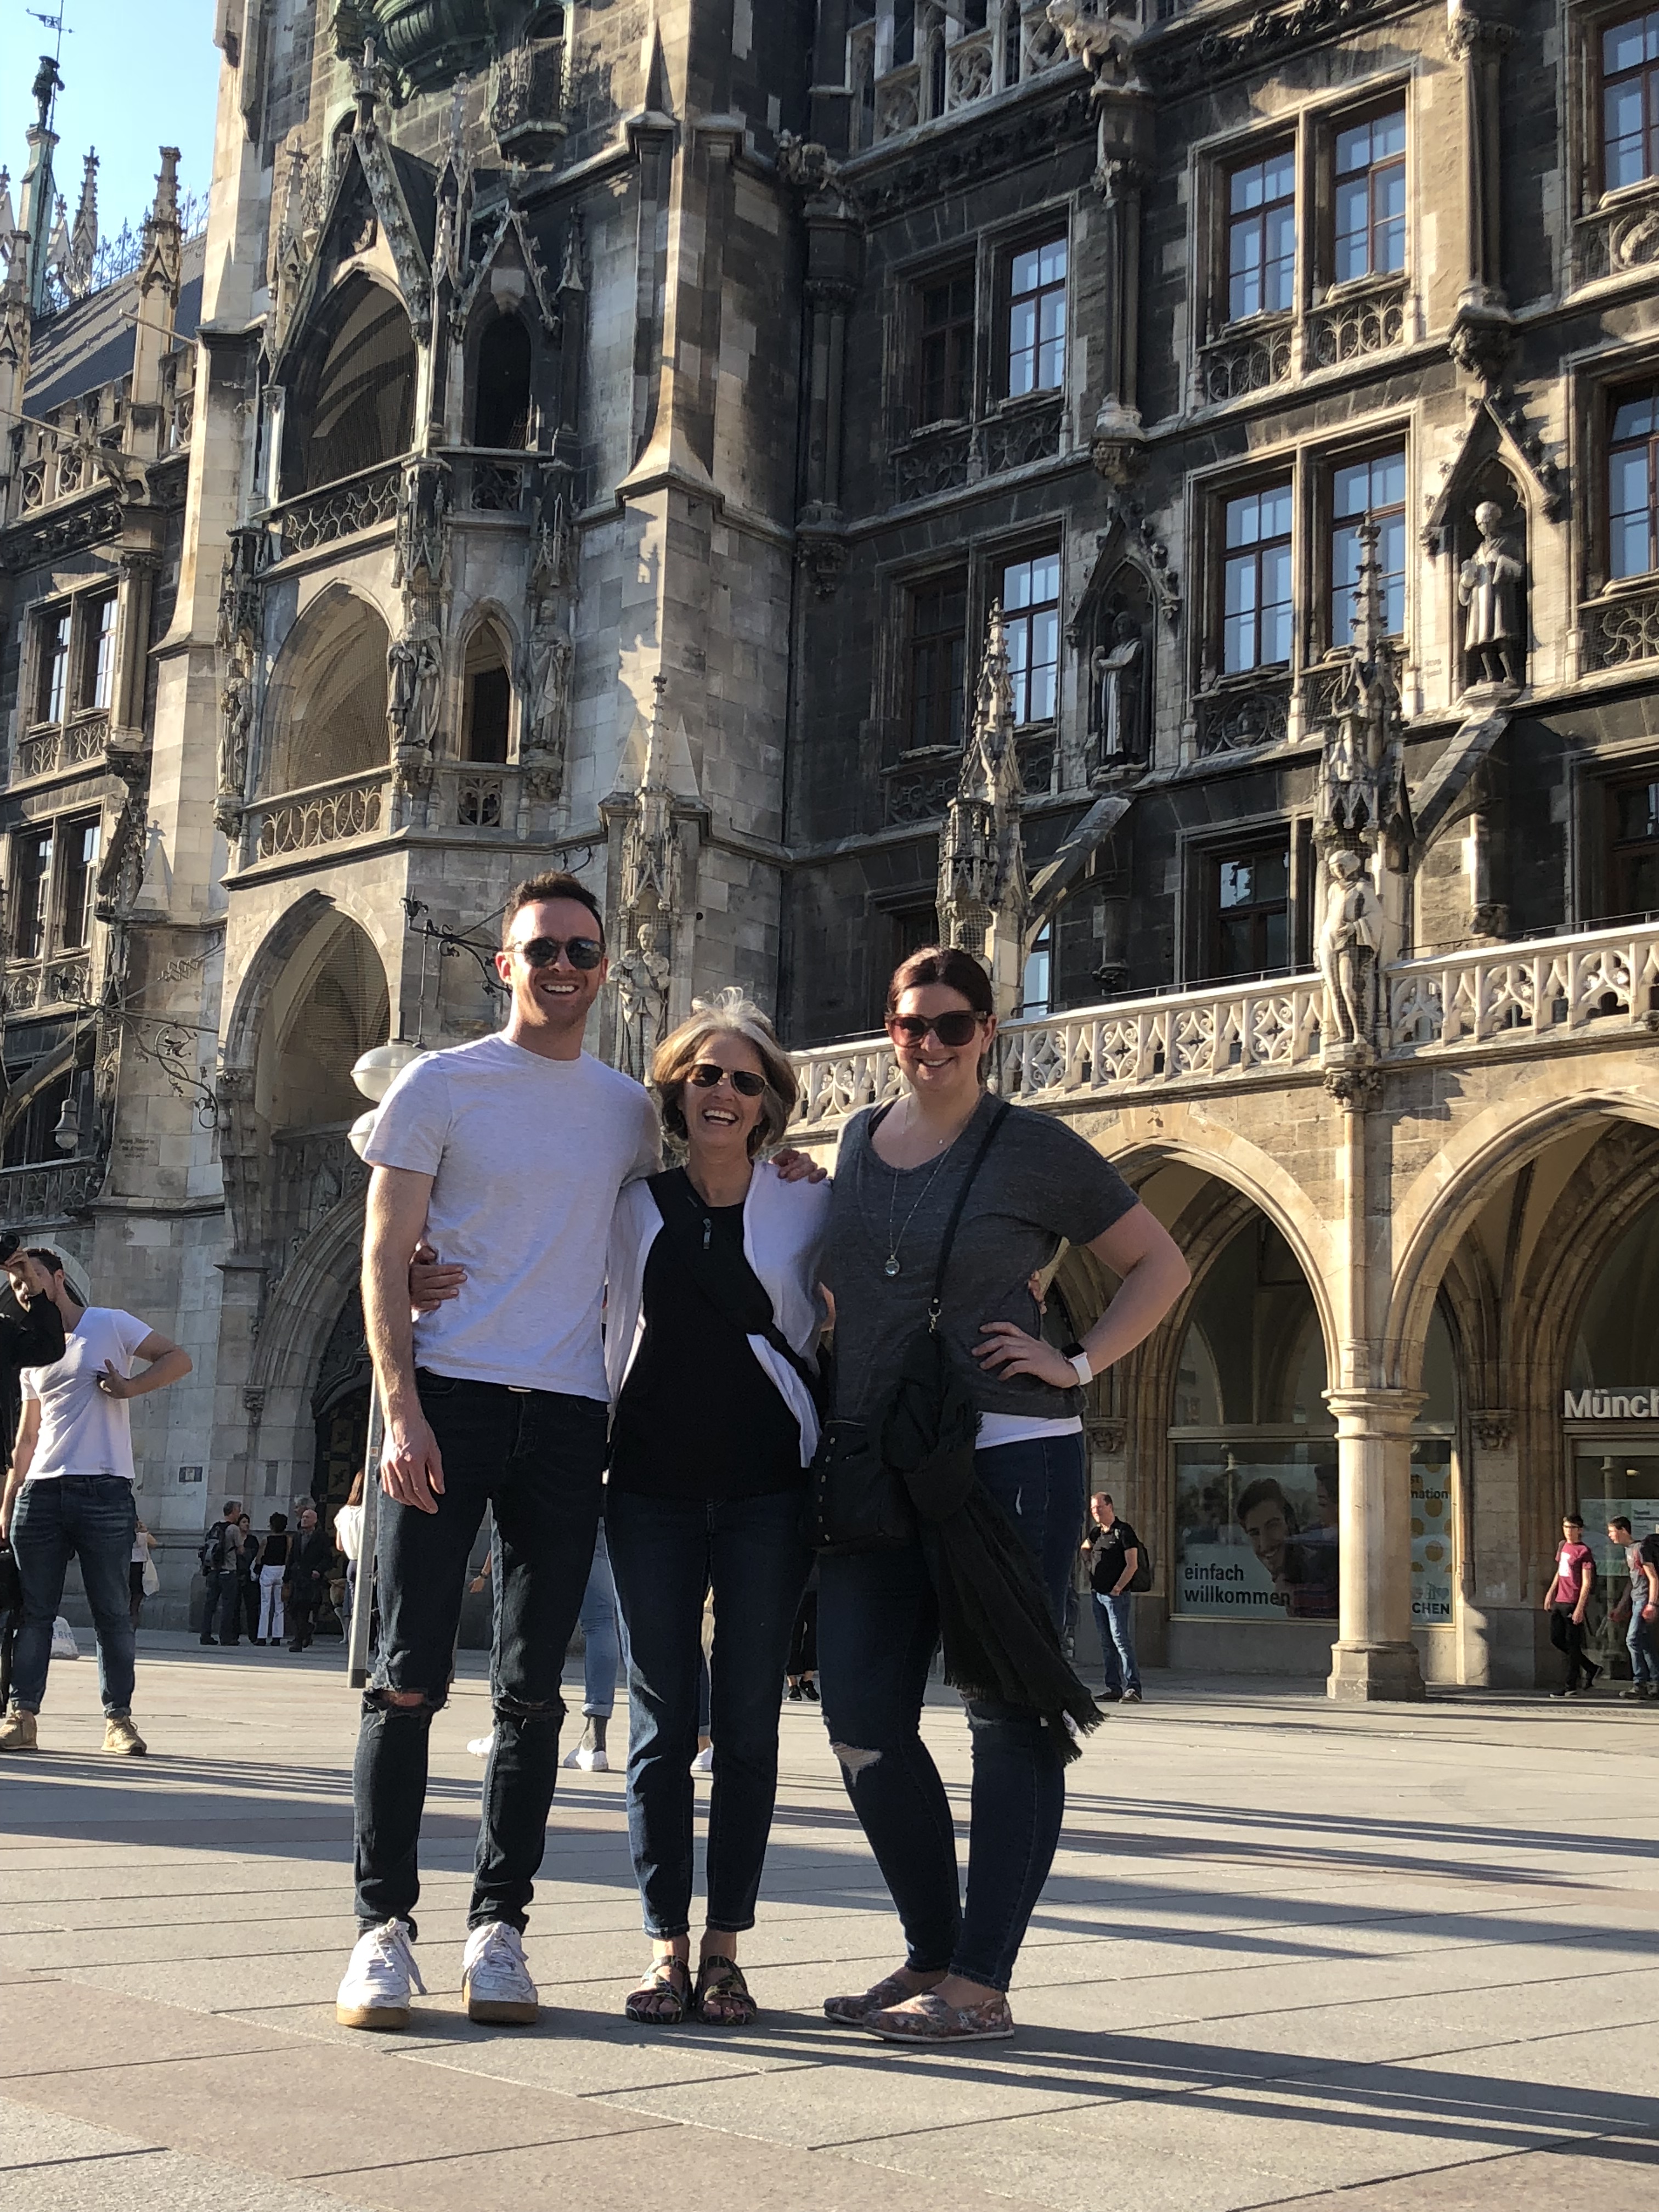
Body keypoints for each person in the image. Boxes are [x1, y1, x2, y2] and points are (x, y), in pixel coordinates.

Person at [816, 946, 1189, 2044]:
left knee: (1005, 1712)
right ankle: (931, 1951)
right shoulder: (853, 1139)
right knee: (859, 1715)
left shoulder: (1033, 1147)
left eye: (952, 1024)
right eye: (910, 1024)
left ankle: (981, 1980)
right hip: (879, 1455)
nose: (928, 1044)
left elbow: (1160, 1265)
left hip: (1012, 1452)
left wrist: (1074, 1363)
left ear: (989, 1031)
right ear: (889, 1030)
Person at [336, 870, 663, 2034]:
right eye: (542, 949)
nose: (562, 967)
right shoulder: (440, 1084)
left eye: (581, 950)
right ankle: (381, 1929)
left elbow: (682, 1208)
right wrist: (401, 1410)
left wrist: (788, 1165)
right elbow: (384, 1256)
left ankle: (499, 1930)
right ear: (504, 964)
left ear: (603, 968)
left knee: (532, 1691)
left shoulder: (629, 1111)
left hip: (570, 1414)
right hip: (450, 1400)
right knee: (405, 1675)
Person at [602, 996, 830, 2027]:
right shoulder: (632, 1205)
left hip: (767, 1491)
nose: (723, 1093)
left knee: (746, 1726)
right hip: (646, 1487)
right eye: (704, 1075)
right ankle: (664, 1947)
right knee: (660, 1726)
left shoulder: (807, 1201)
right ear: (675, 1090)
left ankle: (726, 1949)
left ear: (771, 1103)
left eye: (744, 1079)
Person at [0, 1247, 191, 1756]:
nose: (23, 1289)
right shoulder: (31, 1345)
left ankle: (118, 1721)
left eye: (30, 1276)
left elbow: (178, 1358)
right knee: (34, 1612)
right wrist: (9, 1496)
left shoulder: (108, 1323)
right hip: (41, 1490)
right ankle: (22, 1716)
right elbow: (28, 1434)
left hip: (104, 1488)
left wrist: (130, 1388)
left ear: (58, 1277)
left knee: (111, 1611)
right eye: (16, 1283)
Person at [561, 1522, 623, 1771]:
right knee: (601, 1623)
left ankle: (520, 1722)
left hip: (554, 1512)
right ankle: (595, 1737)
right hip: (602, 1515)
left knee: (538, 1618)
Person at [1236, 1477, 1339, 1619]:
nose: (1265, 1545)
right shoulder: (1288, 1572)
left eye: (1273, 1526)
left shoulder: (1319, 1560)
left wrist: (1293, 1595)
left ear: (1290, 1523)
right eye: (1255, 1533)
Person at [1084, 1491, 1142, 1703]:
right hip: (1098, 1595)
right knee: (1106, 1643)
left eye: (1099, 1507)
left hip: (1116, 1597)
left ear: (1110, 1506)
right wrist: (1090, 1567)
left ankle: (1133, 1687)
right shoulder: (1096, 1533)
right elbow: (1084, 1548)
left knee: (1121, 1641)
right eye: (1093, 1509)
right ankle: (1113, 1687)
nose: (1096, 1512)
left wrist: (1118, 1587)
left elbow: (1132, 1564)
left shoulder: (1123, 1532)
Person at [1545, 1513, 1598, 1697]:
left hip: (1573, 1600)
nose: (1568, 1531)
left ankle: (1570, 1685)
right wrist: (1551, 1592)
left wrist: (1580, 1607)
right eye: (1566, 1527)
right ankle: (1590, 1667)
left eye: (1572, 1528)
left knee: (1572, 1643)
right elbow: (1560, 1571)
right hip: (1560, 1598)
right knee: (1556, 1638)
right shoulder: (1563, 1546)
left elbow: (1587, 1582)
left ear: (1580, 1530)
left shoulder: (1584, 1551)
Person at [1607, 1514, 1658, 1701]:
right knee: (1644, 1643)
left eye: (1612, 1531)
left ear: (1623, 1531)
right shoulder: (1628, 1551)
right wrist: (1621, 1607)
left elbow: (1653, 1578)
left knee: (1632, 1640)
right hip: (1637, 1599)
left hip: (1644, 1600)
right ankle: (1655, 1683)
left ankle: (1640, 1683)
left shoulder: (1640, 1549)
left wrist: (1652, 1604)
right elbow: (1632, 1582)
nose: (1610, 1535)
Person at [284, 1502, 332, 1651]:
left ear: (315, 1521)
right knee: (293, 1609)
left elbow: (328, 1558)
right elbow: (292, 1557)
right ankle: (306, 1630)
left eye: (307, 1518)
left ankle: (298, 1642)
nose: (304, 1520)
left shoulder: (321, 1537)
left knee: (303, 1609)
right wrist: (287, 1577)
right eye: (303, 1517)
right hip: (298, 1577)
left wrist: (319, 1570)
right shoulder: (298, 1536)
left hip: (311, 1579)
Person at [197, 1501, 246, 1646]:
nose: (239, 1514)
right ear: (233, 1512)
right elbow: (241, 1550)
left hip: (213, 1571)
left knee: (210, 1605)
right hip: (228, 1571)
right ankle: (225, 1637)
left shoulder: (214, 1527)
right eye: (238, 1511)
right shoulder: (233, 1529)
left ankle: (205, 1635)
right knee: (228, 1606)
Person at [335, 1471, 366, 1637]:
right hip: (370, 1563)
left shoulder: (343, 1513)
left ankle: (354, 1640)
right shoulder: (370, 1511)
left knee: (355, 1607)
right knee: (374, 1608)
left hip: (352, 1564)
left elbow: (339, 1546)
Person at [256, 1512, 291, 1645]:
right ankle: (277, 1637)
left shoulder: (266, 1540)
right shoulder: (288, 1540)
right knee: (279, 1605)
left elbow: (259, 1558)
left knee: (265, 1604)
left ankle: (262, 1636)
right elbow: (288, 1557)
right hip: (281, 1570)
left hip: (268, 1570)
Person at [786, 1568, 819, 1701]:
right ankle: (792, 1682)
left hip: (817, 1587)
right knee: (792, 1633)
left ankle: (807, 1679)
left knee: (816, 1634)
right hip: (791, 1586)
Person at [129, 1518, 157, 1632]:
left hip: (128, 1567)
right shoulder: (144, 1536)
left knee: (128, 1602)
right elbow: (154, 1543)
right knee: (135, 1605)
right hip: (140, 1568)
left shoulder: (126, 1536)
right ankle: (132, 1628)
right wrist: (145, 1531)